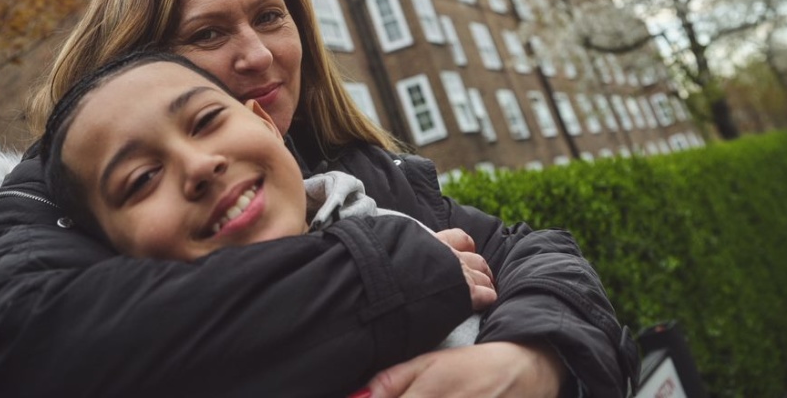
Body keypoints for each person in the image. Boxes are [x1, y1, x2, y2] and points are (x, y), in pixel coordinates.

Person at [0, 0, 639, 398]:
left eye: (270, 17)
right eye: (208, 32)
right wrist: (399, 263)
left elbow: (530, 251)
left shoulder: (352, 167)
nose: (259, 53)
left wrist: (531, 360)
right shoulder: (57, 201)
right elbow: (26, 345)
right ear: (138, 64)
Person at [39, 49, 487, 349]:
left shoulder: (406, 227)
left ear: (267, 125)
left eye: (206, 120)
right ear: (106, 243)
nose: (198, 165)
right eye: (142, 178)